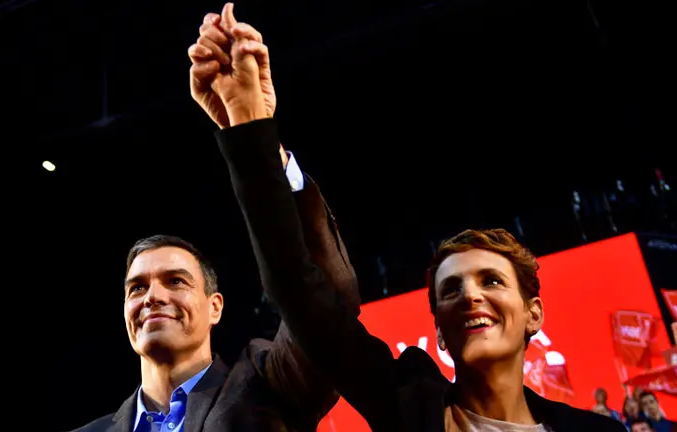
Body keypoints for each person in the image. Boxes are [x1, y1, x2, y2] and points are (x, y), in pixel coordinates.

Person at [201, 4, 629, 430]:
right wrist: (251, 125)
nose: (470, 296)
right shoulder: (406, 403)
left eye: (492, 280)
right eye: (450, 290)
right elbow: (297, 287)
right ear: (440, 334)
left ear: (533, 313)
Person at [72, 7, 360, 431]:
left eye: (175, 281)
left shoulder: (271, 390)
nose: (152, 296)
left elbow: (325, 305)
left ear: (215, 307)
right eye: (137, 287)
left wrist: (257, 135)